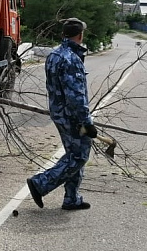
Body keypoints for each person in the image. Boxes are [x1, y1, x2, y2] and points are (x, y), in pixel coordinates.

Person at [26, 17, 97, 210]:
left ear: (63, 34)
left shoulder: (55, 55)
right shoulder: (71, 59)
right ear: (80, 35)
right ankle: (40, 183)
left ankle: (71, 198)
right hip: (72, 117)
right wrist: (86, 122)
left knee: (73, 154)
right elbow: (75, 96)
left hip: (58, 113)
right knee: (79, 156)